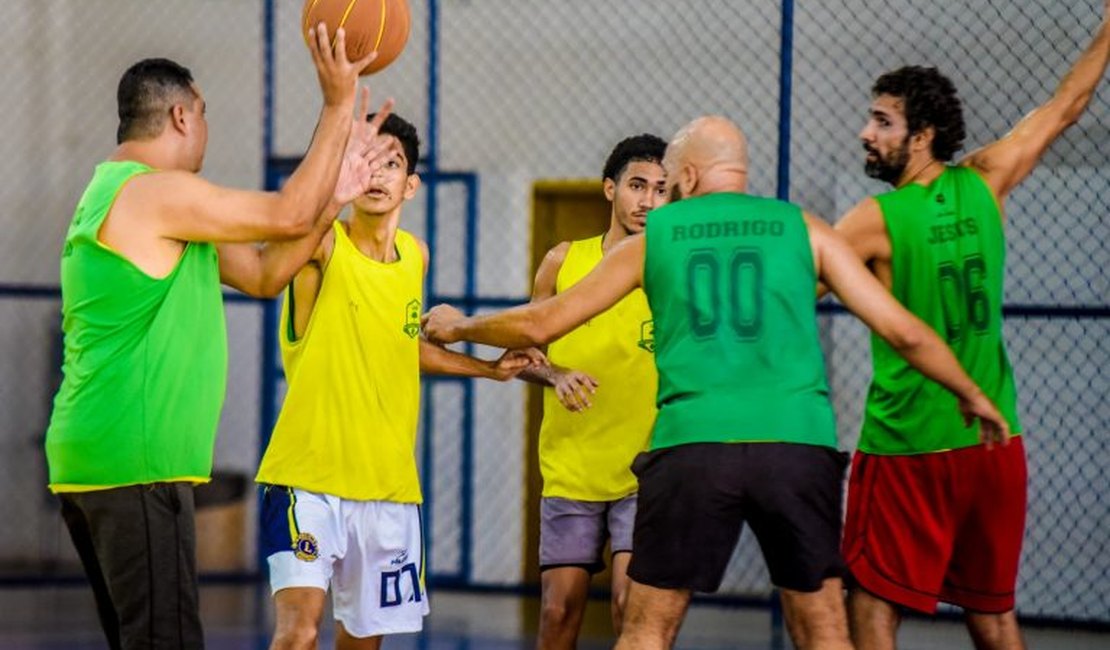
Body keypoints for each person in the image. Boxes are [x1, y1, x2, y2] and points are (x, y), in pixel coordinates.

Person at [423, 115, 1012, 650]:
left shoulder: (661, 237)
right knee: (824, 627)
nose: (666, 193)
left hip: (693, 444)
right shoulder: (801, 228)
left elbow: (541, 322)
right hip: (794, 444)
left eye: (672, 179)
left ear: (692, 174)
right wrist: (972, 391)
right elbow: (902, 329)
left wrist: (458, 326)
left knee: (647, 627)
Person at [44, 25, 389, 649]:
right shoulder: (154, 193)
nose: (207, 125)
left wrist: (330, 201)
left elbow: (263, 272)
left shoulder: (128, 200)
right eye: (203, 113)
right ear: (180, 115)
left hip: (100, 456)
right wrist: (339, 106)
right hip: (134, 460)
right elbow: (286, 212)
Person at [833, 5, 1110, 648]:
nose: (865, 133)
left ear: (922, 134)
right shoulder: (990, 180)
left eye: (881, 121)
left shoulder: (874, 220)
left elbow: (791, 286)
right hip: (996, 441)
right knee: (993, 616)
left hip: (909, 445)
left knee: (871, 603)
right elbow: (1069, 103)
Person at [252, 111, 540, 650]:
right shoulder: (323, 245)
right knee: (298, 632)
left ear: (411, 184)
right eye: (366, 160)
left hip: (388, 488)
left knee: (364, 642)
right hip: (306, 479)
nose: (379, 173)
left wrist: (489, 369)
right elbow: (272, 253)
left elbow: (401, 346)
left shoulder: (415, 256)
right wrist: (329, 186)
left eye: (393, 163)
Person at [523, 134, 668, 649]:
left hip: (644, 468)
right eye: (637, 185)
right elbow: (524, 354)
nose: (648, 200)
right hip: (573, 465)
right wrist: (557, 375)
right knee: (558, 614)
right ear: (610, 189)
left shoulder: (671, 273)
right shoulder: (563, 261)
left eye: (661, 189)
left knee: (634, 608)